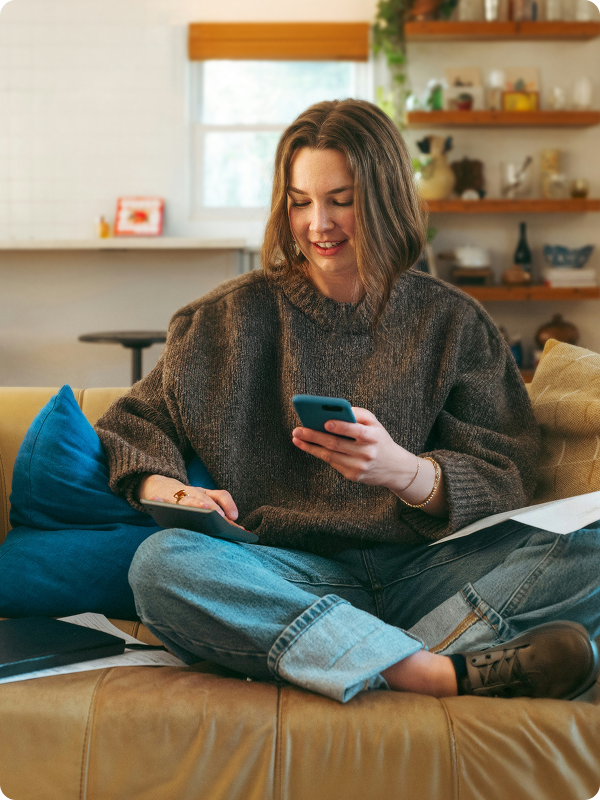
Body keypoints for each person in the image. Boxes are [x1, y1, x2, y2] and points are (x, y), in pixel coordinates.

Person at [96, 99, 599, 704]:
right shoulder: (223, 321)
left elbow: (509, 476)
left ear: (385, 198)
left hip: (430, 571)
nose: (318, 224)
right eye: (300, 201)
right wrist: (170, 492)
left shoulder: (453, 322)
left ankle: (349, 652)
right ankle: (434, 671)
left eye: (341, 199)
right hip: (286, 576)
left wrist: (406, 472)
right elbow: (131, 424)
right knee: (162, 566)